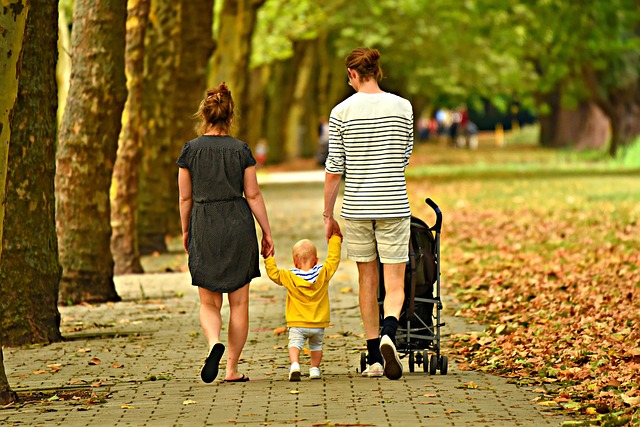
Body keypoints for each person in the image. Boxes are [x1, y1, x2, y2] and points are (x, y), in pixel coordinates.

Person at [323, 47, 413, 380]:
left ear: (352, 75)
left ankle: (375, 356)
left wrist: (327, 213)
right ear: (378, 71)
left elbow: (335, 168)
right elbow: (405, 156)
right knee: (395, 280)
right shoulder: (403, 107)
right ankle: (391, 330)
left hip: (357, 207)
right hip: (393, 203)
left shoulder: (340, 112)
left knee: (366, 279)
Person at [177, 82, 274, 384]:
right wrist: (267, 233)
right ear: (230, 117)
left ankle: (212, 343)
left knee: (209, 303)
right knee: (240, 304)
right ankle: (231, 369)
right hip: (237, 223)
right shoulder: (241, 150)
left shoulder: (190, 151)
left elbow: (184, 198)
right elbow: (254, 195)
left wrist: (186, 230)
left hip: (204, 223)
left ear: (203, 115)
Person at [264, 234, 342, 381]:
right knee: (316, 346)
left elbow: (274, 274)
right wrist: (335, 240)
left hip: (297, 323)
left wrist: (269, 257)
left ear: (294, 262)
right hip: (318, 323)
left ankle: (294, 365)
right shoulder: (323, 273)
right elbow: (334, 260)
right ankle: (314, 369)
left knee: (294, 344)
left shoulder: (289, 276)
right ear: (316, 260)